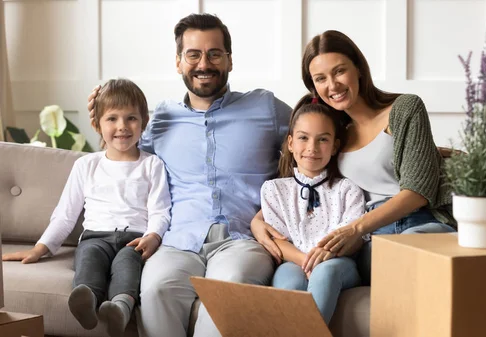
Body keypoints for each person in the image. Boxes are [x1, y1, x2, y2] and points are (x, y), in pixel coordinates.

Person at [87, 14, 291, 337]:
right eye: (193, 54)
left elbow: (314, 135)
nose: (204, 63)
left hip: (242, 240)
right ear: (179, 62)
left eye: (214, 53)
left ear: (230, 60)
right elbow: (123, 155)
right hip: (178, 241)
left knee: (228, 290)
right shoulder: (162, 117)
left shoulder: (265, 107)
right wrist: (103, 121)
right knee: (154, 290)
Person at [252, 30, 456, 285]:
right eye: (321, 78)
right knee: (384, 260)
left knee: (415, 257)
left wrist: (356, 228)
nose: (333, 85)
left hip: (418, 224)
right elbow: (301, 185)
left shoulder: (404, 108)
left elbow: (418, 190)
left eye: (339, 71)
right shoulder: (331, 135)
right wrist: (257, 221)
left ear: (358, 68)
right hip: (371, 239)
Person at [3, 79, 171, 337]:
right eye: (112, 119)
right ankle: (87, 301)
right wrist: (41, 248)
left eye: (131, 118)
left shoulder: (152, 165)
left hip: (134, 240)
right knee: (89, 261)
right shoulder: (86, 165)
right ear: (97, 124)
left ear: (144, 122)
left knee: (127, 267)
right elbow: (65, 214)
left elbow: (160, 210)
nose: (122, 127)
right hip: (95, 237)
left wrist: (153, 236)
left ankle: (120, 308)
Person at [262, 94, 363, 324]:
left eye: (323, 140)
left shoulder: (347, 190)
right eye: (303, 138)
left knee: (325, 273)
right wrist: (305, 260)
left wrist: (321, 260)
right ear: (290, 143)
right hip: (294, 261)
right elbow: (277, 240)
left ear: (335, 146)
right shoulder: (274, 190)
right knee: (291, 285)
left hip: (338, 263)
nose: (312, 148)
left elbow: (355, 238)